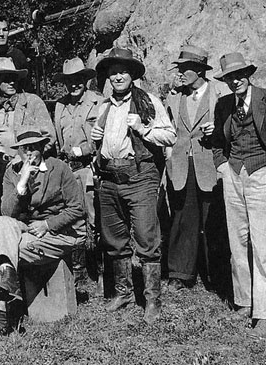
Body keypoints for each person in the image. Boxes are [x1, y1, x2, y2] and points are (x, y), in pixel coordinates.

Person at [91, 47, 176, 324]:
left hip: (140, 176)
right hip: (110, 178)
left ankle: (152, 299)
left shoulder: (148, 101)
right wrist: (95, 140)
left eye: (123, 71)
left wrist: (143, 129)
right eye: (113, 71)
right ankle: (124, 292)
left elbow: (170, 136)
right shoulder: (103, 106)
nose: (117, 76)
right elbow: (101, 143)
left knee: (146, 239)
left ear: (132, 75)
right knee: (114, 240)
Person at [0, 129, 86, 335]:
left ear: (42, 148)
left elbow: (77, 208)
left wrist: (47, 224)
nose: (29, 153)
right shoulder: (12, 172)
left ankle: (0, 313)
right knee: (2, 223)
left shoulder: (59, 168)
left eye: (33, 148)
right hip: (26, 229)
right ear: (18, 151)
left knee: (8, 250)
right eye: (24, 149)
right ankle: (10, 281)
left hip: (60, 233)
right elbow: (7, 212)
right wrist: (21, 184)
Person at [212, 52, 266, 338]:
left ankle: (264, 311)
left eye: (239, 75)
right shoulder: (223, 105)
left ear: (248, 74)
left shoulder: (264, 99)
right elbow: (217, 141)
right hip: (233, 173)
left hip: (261, 172)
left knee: (263, 243)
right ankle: (244, 301)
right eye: (230, 77)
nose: (235, 81)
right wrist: (221, 164)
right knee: (238, 240)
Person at [164, 46, 223, 291]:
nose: (180, 72)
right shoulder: (174, 96)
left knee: (213, 220)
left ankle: (217, 275)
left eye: (185, 68)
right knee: (182, 218)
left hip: (209, 163)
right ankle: (180, 272)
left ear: (199, 69)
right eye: (179, 68)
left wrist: (216, 128)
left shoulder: (219, 93)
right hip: (181, 163)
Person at [53, 57, 104, 291]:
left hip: (89, 167)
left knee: (94, 219)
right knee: (72, 219)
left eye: (78, 80)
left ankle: (102, 271)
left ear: (86, 79)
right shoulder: (60, 105)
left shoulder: (97, 102)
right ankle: (78, 272)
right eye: (69, 81)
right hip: (67, 169)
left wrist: (81, 150)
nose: (74, 85)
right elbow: (56, 139)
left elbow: (102, 137)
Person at [0, 57, 55, 215]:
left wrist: (26, 159)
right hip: (0, 165)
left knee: (25, 209)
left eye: (13, 79)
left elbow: (49, 137)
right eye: (5, 79)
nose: (11, 83)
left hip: (27, 163)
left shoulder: (32, 102)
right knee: (1, 208)